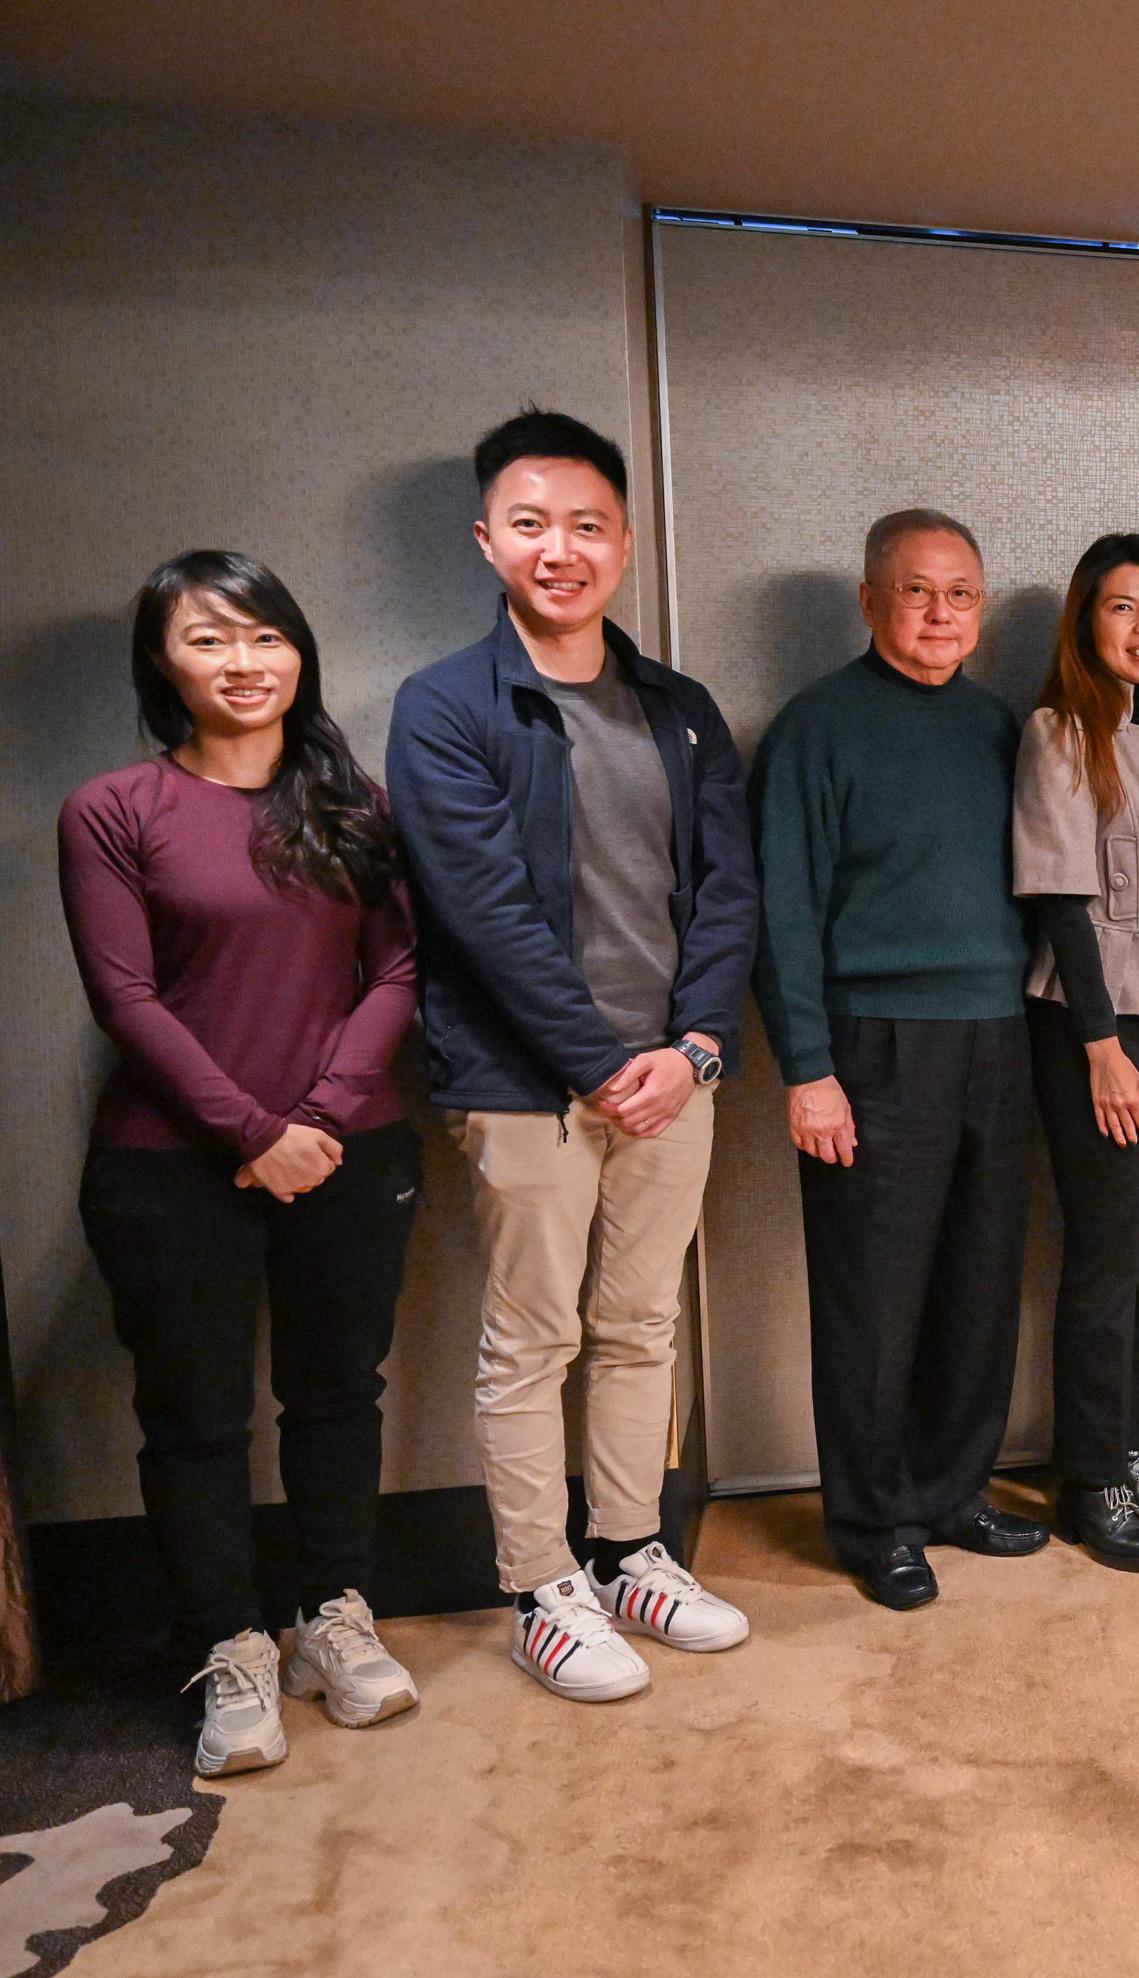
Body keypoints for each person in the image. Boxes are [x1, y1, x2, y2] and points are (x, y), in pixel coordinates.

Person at [388, 409, 755, 1700]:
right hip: (523, 1087)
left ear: (627, 544)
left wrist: (697, 1045)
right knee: (532, 1339)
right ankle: (542, 1585)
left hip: (675, 1080)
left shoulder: (681, 709)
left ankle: (631, 1549)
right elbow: (480, 912)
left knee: (643, 1325)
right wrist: (604, 1063)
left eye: (588, 526)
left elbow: (726, 891)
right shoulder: (445, 709)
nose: (563, 548)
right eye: (533, 524)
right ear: (489, 539)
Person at [61, 552, 424, 1775]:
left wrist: (316, 1114)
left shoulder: (354, 802)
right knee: (195, 1419)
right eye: (209, 640)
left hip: (351, 1150)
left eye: (265, 636)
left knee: (338, 1394)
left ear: (300, 651)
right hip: (171, 1167)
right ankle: (230, 1644)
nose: (243, 662)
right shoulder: (113, 809)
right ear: (164, 663)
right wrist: (253, 1133)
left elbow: (398, 971)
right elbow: (124, 995)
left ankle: (334, 1614)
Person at [750, 509, 1051, 1611]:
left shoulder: (999, 726)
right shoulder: (814, 731)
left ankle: (952, 1489)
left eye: (961, 594)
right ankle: (875, 1518)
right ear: (871, 601)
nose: (940, 614)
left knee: (979, 1282)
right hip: (871, 1046)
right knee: (874, 1300)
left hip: (999, 1033)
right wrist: (808, 1067)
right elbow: (781, 912)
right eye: (917, 593)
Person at [1014, 534, 1139, 1572]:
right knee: (1101, 1258)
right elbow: (1057, 901)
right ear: (1085, 624)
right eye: (1122, 608)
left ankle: (1130, 1451)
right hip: (1103, 1027)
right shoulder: (1061, 730)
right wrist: (1099, 1043)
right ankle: (1088, 1478)